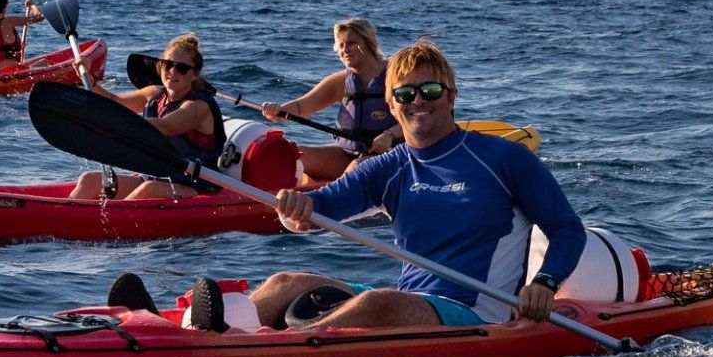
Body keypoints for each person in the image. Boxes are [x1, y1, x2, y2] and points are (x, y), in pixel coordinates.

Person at [112, 40, 585, 331]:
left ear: (452, 97)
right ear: (393, 108)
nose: (418, 101)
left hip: (479, 313)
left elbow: (567, 229)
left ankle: (256, 348)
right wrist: (295, 205)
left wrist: (545, 281)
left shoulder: (502, 158)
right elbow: (328, 203)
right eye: (405, 95)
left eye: (431, 91)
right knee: (285, 282)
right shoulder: (392, 165)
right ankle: (192, 332)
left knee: (378, 302)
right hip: (415, 303)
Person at [69, 33, 226, 200]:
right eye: (168, 64)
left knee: (150, 189)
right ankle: (65, 218)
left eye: (181, 68)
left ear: (194, 74)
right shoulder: (155, 94)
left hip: (195, 186)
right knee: (88, 181)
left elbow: (164, 126)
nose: (172, 71)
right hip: (159, 178)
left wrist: (117, 125)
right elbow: (114, 101)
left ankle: (108, 221)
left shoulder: (197, 107)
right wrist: (89, 80)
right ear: (160, 66)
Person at [260, 18, 401, 184]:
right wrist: (278, 110)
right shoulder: (340, 82)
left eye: (351, 43)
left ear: (369, 43)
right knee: (294, 156)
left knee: (356, 169)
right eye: (340, 46)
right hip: (349, 154)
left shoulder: (397, 77)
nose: (344, 50)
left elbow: (419, 119)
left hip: (393, 156)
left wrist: (389, 135)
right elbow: (301, 107)